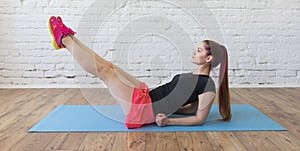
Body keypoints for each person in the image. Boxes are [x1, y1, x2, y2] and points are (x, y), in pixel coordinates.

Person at [48, 16, 231, 129]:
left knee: (105, 72)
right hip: (148, 94)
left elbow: (199, 118)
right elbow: (191, 107)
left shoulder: (208, 84)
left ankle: (64, 40)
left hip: (145, 108)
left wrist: (169, 121)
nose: (194, 52)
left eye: (199, 51)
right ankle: (69, 36)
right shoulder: (196, 77)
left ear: (209, 59)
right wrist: (175, 108)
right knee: (110, 66)